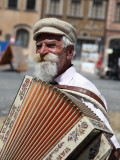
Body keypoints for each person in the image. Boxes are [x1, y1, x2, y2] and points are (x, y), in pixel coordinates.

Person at [33, 17, 120, 159]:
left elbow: (112, 151)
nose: (42, 51)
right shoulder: (40, 86)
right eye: (38, 46)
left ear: (69, 51)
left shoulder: (84, 91)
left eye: (51, 45)